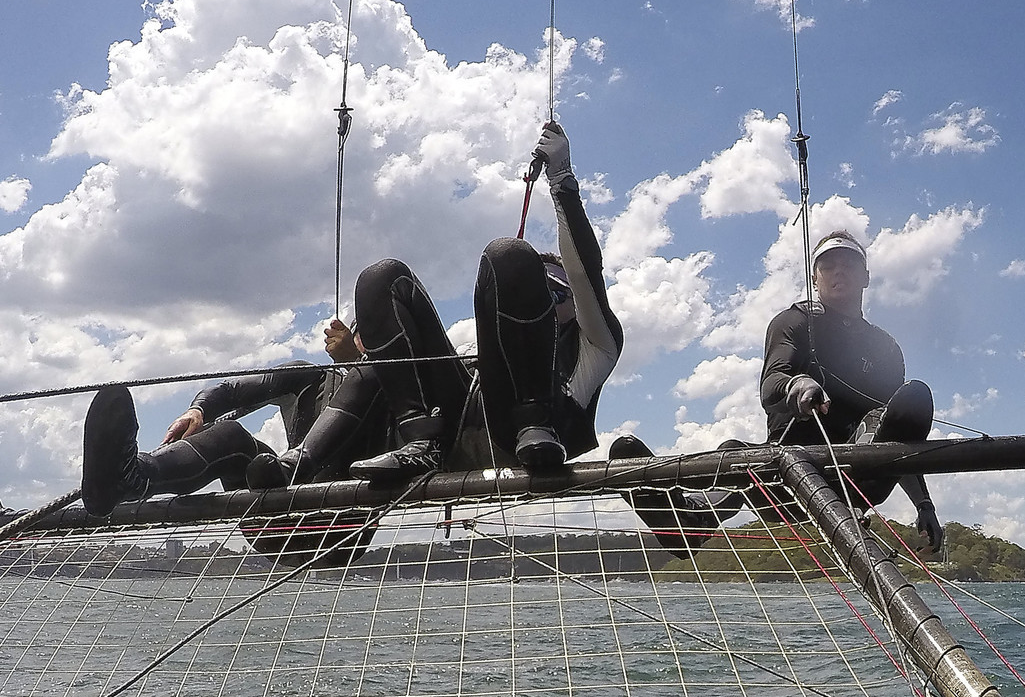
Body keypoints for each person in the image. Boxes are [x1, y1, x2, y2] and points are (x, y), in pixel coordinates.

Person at [346, 121, 624, 480]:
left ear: (575, 302)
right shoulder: (479, 353)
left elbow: (586, 273)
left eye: (554, 293)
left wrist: (561, 178)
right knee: (383, 278)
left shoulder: (596, 346)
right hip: (455, 429)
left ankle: (534, 423)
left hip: (527, 438)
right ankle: (420, 439)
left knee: (507, 253)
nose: (545, 303)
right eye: (535, 291)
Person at [80, 320, 388, 517]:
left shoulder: (398, 394)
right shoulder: (311, 378)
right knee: (231, 436)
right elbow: (233, 389)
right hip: (275, 513)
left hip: (343, 528)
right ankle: (130, 479)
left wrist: (359, 363)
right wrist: (199, 410)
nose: (365, 342)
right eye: (361, 334)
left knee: (369, 382)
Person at [759, 230, 943, 553]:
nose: (838, 271)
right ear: (815, 278)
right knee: (730, 449)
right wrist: (797, 384)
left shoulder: (885, 349)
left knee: (915, 397)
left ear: (866, 277)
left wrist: (924, 503)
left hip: (861, 478)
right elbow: (771, 385)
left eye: (848, 263)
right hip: (792, 477)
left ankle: (852, 496)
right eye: (828, 265)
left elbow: (899, 431)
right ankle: (695, 517)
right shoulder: (794, 322)